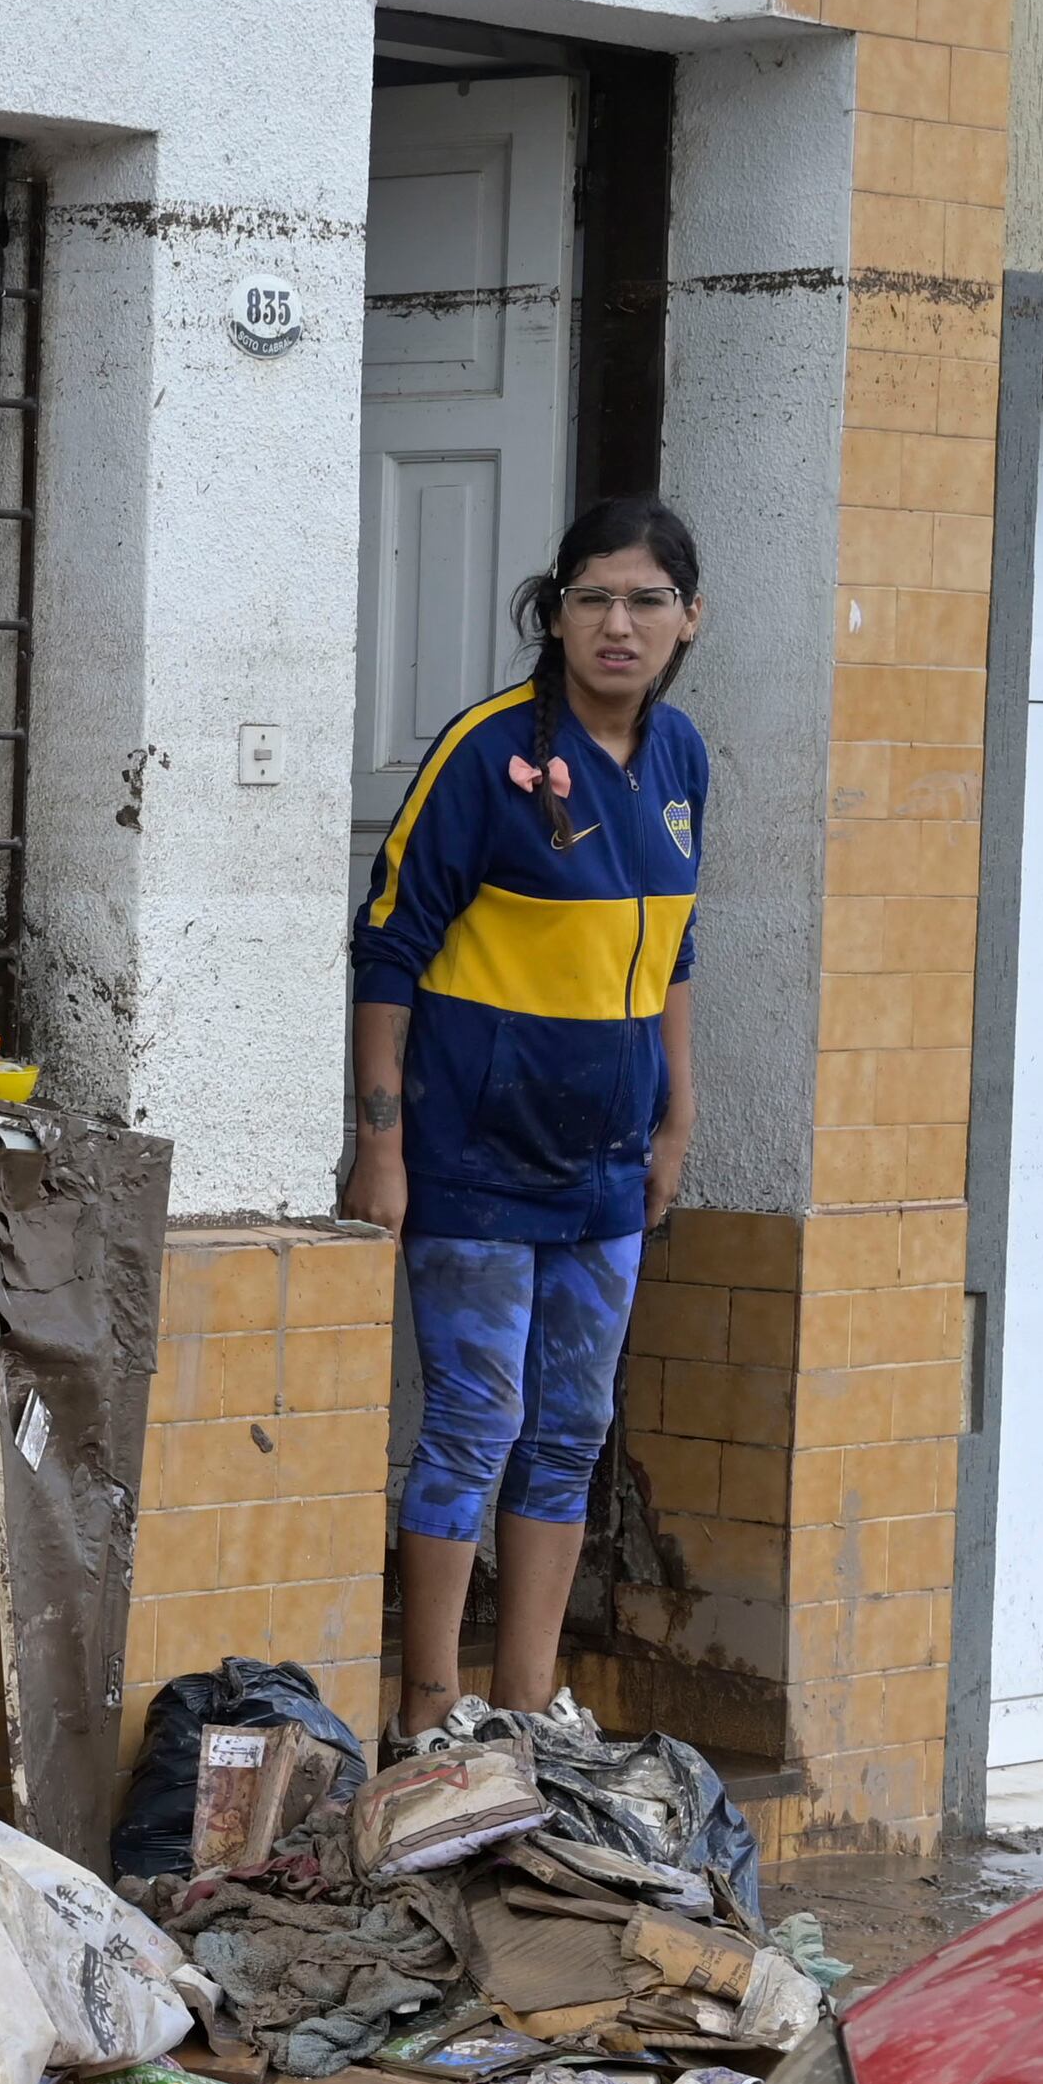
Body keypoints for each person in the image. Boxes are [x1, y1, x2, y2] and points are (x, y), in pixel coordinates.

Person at [344, 496, 708, 1741]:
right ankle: (426, 1710)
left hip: (606, 1167)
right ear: (551, 617)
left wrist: (672, 1126)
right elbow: (388, 949)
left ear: (685, 621)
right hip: (472, 1160)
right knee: (472, 1425)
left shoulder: (679, 762)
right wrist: (379, 1143)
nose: (617, 624)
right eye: (591, 598)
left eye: (644, 600)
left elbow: (669, 958)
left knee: (570, 1431)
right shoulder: (487, 753)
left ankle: (525, 1702)